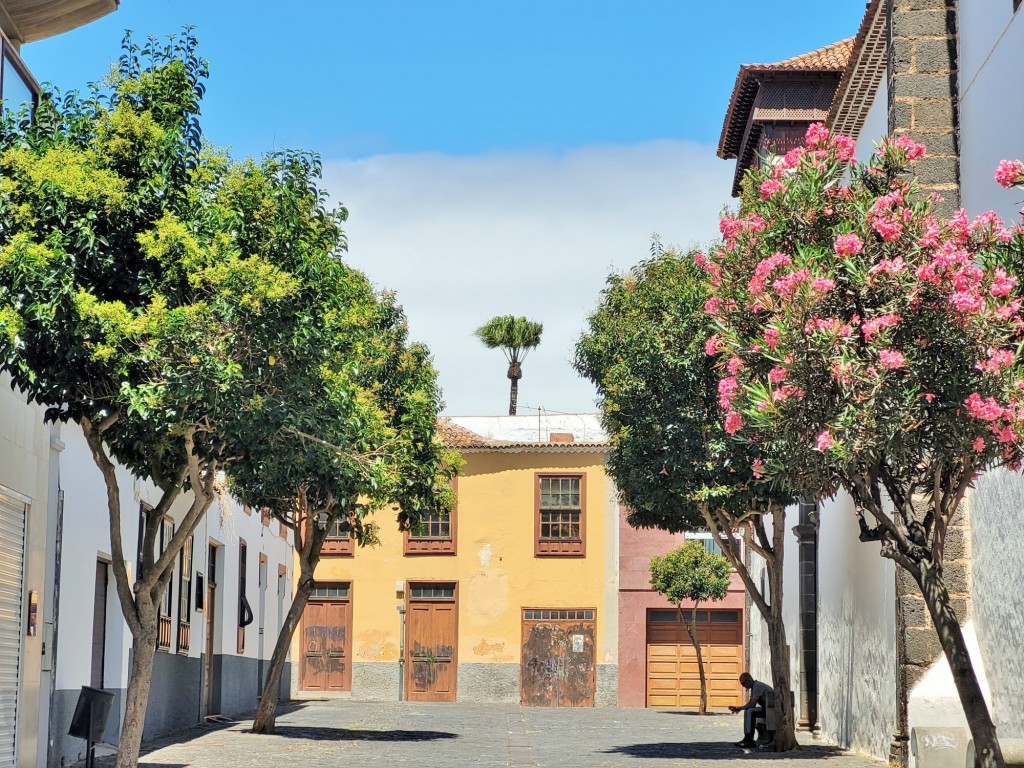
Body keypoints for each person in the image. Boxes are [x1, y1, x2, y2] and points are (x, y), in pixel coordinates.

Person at [727, 672, 770, 747]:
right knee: (748, 711)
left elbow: (752, 705)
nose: (743, 686)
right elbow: (750, 703)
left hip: (772, 710)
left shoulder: (757, 686)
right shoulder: (754, 687)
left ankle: (749, 739)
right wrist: (739, 709)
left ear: (749, 680)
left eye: (743, 684)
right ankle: (747, 738)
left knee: (750, 711)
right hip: (768, 709)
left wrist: (739, 708)